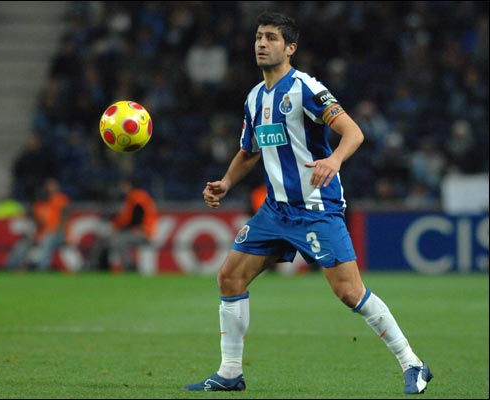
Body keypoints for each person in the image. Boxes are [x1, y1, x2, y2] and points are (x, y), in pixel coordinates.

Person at [184, 11, 433, 395]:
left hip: (316, 208)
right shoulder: (255, 97)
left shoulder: (306, 89)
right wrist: (227, 182)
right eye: (259, 37)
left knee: (349, 292)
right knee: (229, 277)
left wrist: (334, 160)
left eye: (271, 38)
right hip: (275, 210)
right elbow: (249, 150)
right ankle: (230, 372)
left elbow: (353, 132)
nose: (262, 43)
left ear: (290, 48)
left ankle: (413, 364)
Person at [91, 177, 158, 272]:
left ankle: (129, 266)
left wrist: (122, 229)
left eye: (124, 185)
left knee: (118, 241)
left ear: (130, 186)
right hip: (134, 231)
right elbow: (128, 218)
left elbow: (137, 215)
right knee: (105, 240)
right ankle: (100, 266)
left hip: (142, 232)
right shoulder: (133, 197)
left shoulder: (137, 196)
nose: (121, 187)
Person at [6, 178, 70, 271]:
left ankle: (42, 268)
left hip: (58, 234)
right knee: (22, 244)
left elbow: (65, 215)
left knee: (48, 240)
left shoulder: (60, 199)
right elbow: (36, 223)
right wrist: (33, 235)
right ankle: (10, 267)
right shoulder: (38, 205)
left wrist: (58, 230)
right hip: (41, 234)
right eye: (49, 186)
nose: (51, 188)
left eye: (53, 185)